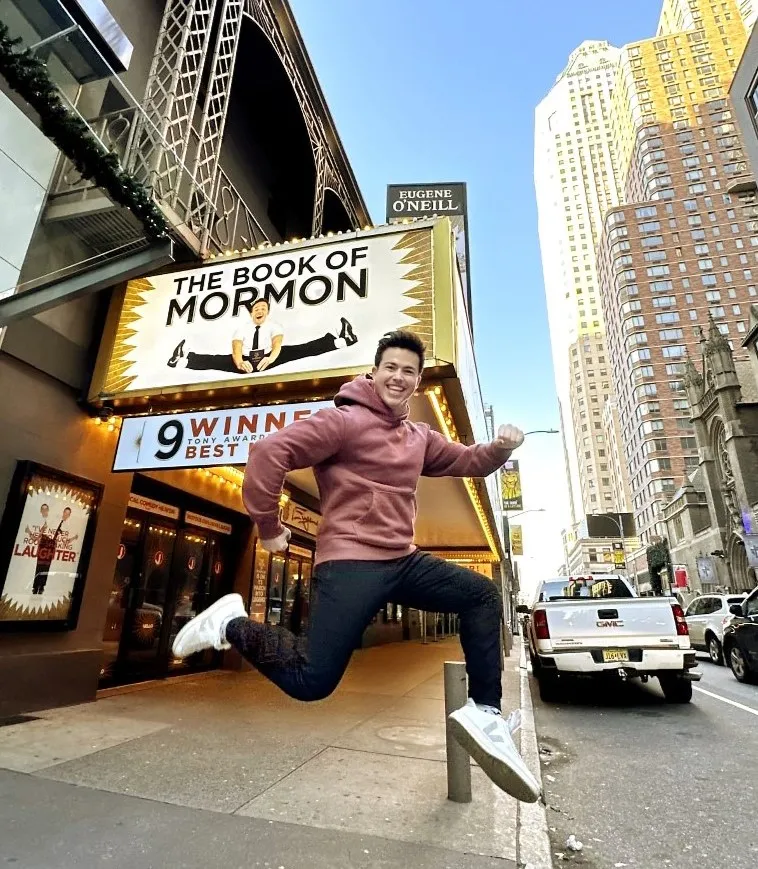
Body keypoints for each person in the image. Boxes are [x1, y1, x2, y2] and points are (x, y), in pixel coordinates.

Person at [172, 329, 540, 803]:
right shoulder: (343, 421)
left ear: (417, 381)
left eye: (409, 371)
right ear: (375, 371)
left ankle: (485, 713)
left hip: (402, 560)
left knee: (481, 593)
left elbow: (468, 461)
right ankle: (232, 623)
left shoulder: (419, 437)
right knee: (312, 681)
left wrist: (500, 448)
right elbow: (269, 452)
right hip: (350, 562)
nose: (399, 377)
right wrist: (267, 525)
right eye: (391, 367)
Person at [167, 297, 358, 375]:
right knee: (216, 361)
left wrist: (271, 358)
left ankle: (341, 340)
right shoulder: (242, 328)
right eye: (257, 308)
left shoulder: (274, 326)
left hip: (269, 356)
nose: (260, 311)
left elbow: (277, 343)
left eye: (263, 308)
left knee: (301, 350)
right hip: (247, 359)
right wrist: (240, 362)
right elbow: (237, 346)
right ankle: (181, 361)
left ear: (267, 312)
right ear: (251, 312)